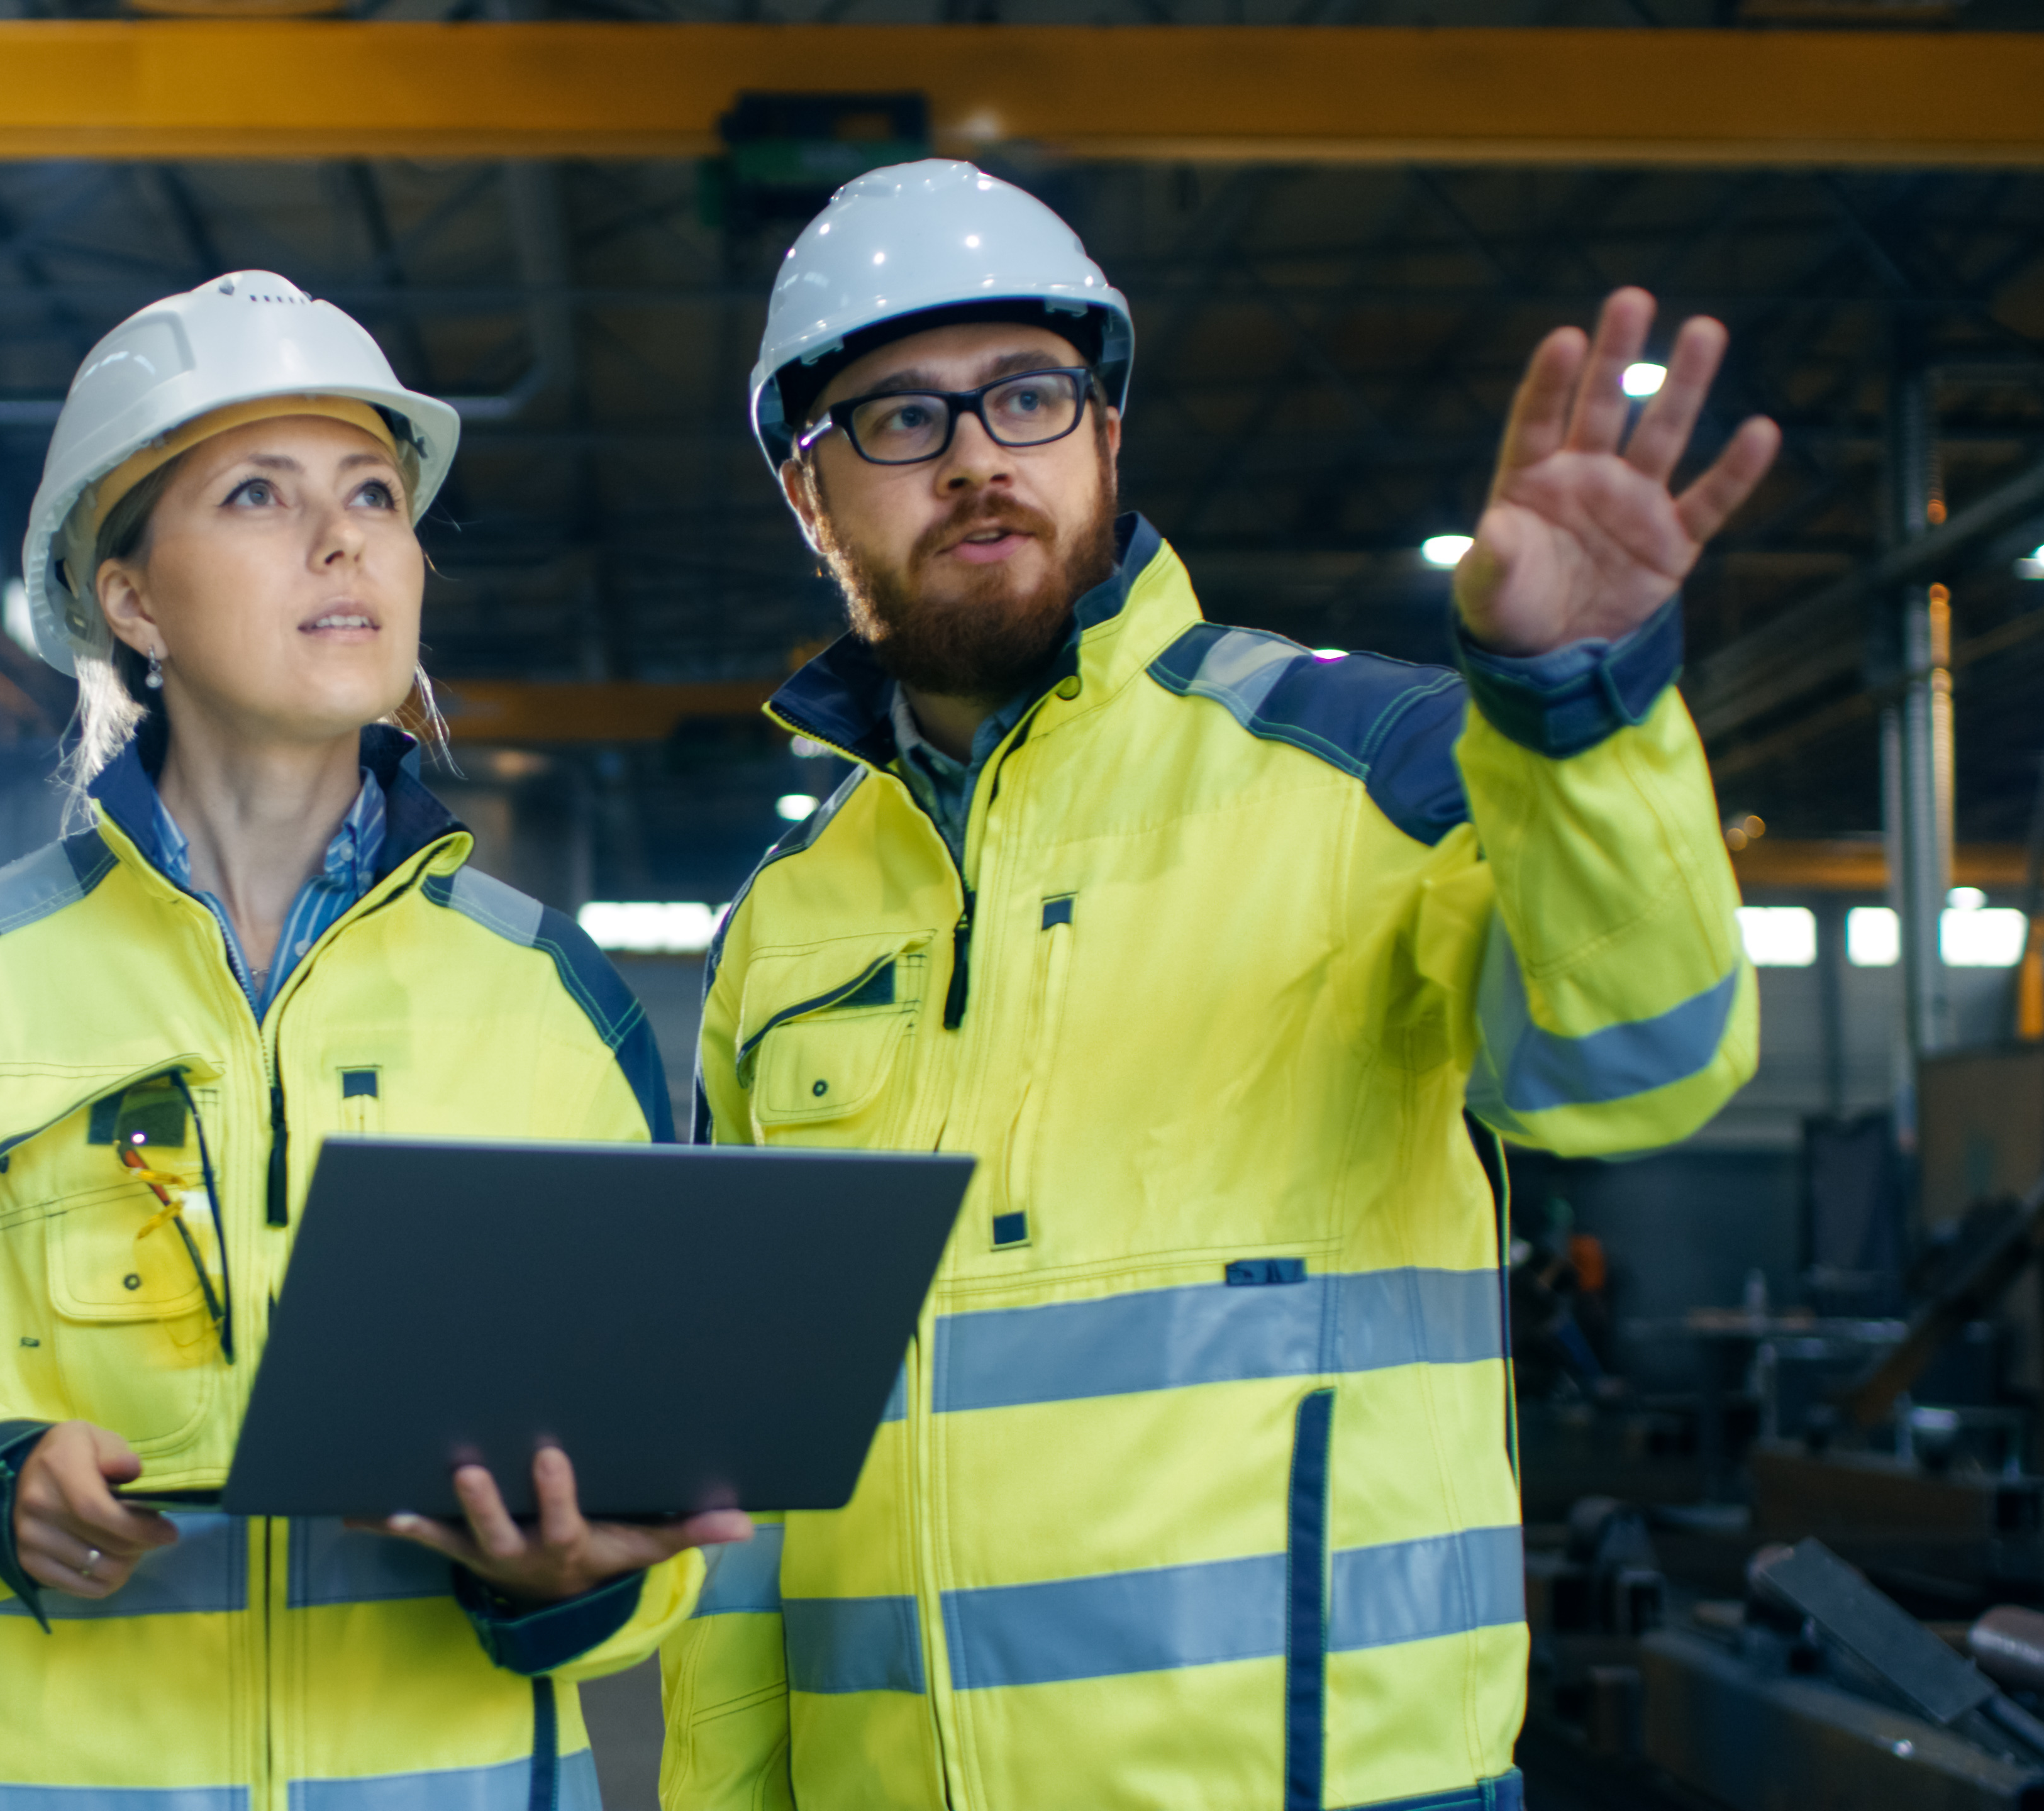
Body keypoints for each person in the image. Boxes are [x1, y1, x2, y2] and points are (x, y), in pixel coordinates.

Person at [662, 161, 1777, 1811]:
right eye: (898, 421)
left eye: (1026, 398)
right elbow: (739, 1478)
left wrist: (1574, 712)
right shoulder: (790, 926)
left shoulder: (1374, 767)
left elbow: (1644, 1064)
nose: (975, 457)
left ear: (1107, 439)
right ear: (810, 502)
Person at [0, 270, 749, 1807]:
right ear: (130, 599)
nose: (341, 540)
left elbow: (653, 1480)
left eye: (374, 497)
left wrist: (579, 1571)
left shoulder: (552, 998)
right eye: (259, 495)